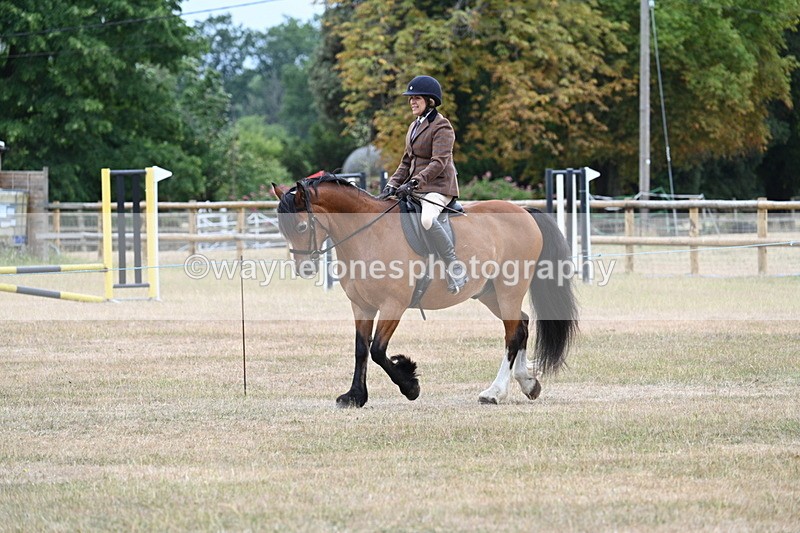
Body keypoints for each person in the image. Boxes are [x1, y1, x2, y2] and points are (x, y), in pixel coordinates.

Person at [378, 75, 467, 295]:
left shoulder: (442, 126)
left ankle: (454, 266)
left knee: (427, 219)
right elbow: (406, 162)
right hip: (417, 189)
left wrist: (416, 182)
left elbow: (439, 162)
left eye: (416, 98)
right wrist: (392, 185)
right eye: (410, 99)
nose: (411, 102)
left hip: (439, 188)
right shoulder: (413, 127)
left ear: (430, 100)